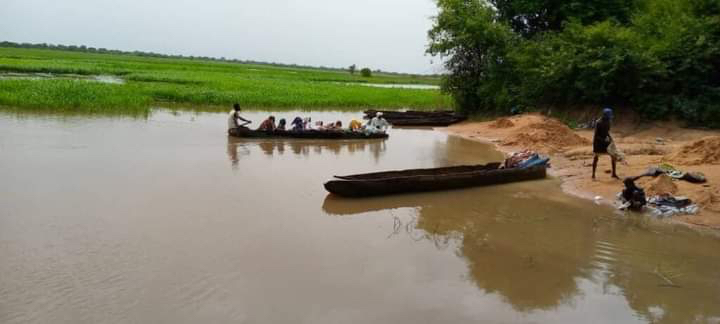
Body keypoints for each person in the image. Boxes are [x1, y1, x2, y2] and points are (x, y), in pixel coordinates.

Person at [592, 108, 618, 180]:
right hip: (598, 143)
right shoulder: (598, 122)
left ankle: (614, 173)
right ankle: (593, 175)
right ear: (605, 116)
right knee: (596, 158)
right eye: (608, 117)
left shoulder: (608, 122)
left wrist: (611, 139)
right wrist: (603, 140)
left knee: (613, 156)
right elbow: (596, 135)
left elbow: (607, 132)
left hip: (606, 141)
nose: (609, 118)